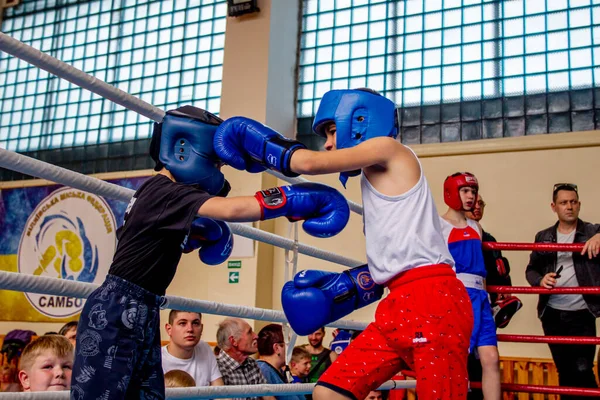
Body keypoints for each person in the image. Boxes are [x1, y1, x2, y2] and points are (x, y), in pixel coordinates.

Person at [70, 106, 351, 400]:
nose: (218, 173)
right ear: (183, 147)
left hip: (143, 306)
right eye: (217, 164)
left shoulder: (164, 199)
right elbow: (233, 209)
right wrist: (293, 199)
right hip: (117, 306)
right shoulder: (164, 190)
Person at [215, 88, 474, 400]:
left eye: (332, 131)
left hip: (433, 302)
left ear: (361, 121)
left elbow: (308, 163)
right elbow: (399, 251)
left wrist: (258, 144)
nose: (327, 143)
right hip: (397, 305)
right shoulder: (373, 177)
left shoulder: (390, 150)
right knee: (328, 393)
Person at [526, 183, 600, 399]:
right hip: (553, 314)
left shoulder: (591, 231)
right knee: (565, 373)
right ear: (554, 207)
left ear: (579, 204)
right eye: (564, 202)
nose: (569, 206)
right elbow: (531, 270)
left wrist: (599, 237)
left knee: (583, 371)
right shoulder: (544, 236)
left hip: (583, 313)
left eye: (573, 202)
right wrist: (541, 280)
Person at [440, 173, 500, 400]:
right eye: (465, 191)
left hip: (481, 298)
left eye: (473, 192)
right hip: (456, 296)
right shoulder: (438, 225)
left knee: (491, 357)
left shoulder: (476, 227)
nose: (470, 196)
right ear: (452, 192)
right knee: (456, 359)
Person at [216, 317, 275, 400]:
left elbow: (268, 396)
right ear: (234, 341)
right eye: (249, 332)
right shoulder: (216, 368)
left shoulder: (252, 363)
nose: (256, 336)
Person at [161, 310, 223, 386]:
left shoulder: (204, 348)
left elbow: (219, 392)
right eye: (182, 323)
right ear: (169, 329)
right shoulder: (156, 360)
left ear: (202, 328)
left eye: (195, 323)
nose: (190, 329)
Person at [257, 324, 305, 400]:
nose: (292, 349)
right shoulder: (263, 370)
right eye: (289, 345)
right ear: (277, 348)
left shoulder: (280, 371)